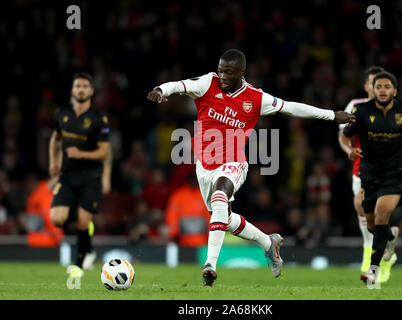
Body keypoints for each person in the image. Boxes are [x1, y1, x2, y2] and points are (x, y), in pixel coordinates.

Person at [147, 49, 355, 286]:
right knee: (223, 217)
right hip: (204, 165)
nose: (222, 75)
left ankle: (210, 265)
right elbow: (179, 85)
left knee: (219, 198)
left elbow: (291, 107)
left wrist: (331, 115)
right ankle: (269, 243)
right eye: (221, 69)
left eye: (228, 71)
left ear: (241, 72)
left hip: (234, 163)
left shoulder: (256, 98)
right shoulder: (208, 82)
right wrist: (161, 90)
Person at [342, 71, 402, 289]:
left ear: (395, 91)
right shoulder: (361, 111)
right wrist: (349, 150)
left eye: (386, 86)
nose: (382, 90)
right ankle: (390, 236)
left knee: (382, 213)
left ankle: (373, 272)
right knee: (372, 224)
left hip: (396, 173)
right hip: (370, 173)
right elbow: (344, 135)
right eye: (378, 86)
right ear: (373, 89)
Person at [48, 72, 111, 278]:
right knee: (57, 219)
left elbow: (104, 151)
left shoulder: (98, 119)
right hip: (66, 176)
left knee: (83, 223)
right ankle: (87, 244)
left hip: (90, 177)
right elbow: (55, 138)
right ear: (72, 90)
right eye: (77, 86)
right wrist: (53, 162)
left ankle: (80, 262)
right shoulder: (63, 113)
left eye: (85, 86)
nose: (80, 89)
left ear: (91, 91)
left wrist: (80, 154)